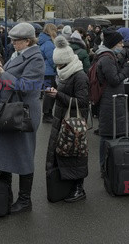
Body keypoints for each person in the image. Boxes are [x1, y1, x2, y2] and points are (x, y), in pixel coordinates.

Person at [0, 23, 45, 214]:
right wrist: (1, 68)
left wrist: (2, 73)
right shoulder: (18, 55)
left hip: (23, 114)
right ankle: (5, 194)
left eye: (16, 41)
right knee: (7, 153)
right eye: (11, 40)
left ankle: (24, 200)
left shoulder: (36, 58)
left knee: (23, 155)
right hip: (10, 112)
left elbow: (26, 86)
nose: (12, 44)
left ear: (27, 41)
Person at [45, 36, 89, 202]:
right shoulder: (65, 73)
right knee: (65, 153)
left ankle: (79, 188)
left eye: (59, 64)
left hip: (73, 123)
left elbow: (83, 102)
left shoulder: (79, 76)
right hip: (63, 120)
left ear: (66, 61)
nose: (57, 67)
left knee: (75, 155)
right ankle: (65, 186)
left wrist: (58, 95)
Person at [96, 32, 129, 171]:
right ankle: (105, 166)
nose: (122, 45)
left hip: (112, 98)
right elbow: (114, 79)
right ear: (112, 44)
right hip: (110, 99)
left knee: (112, 131)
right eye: (119, 43)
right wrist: (128, 68)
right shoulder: (107, 58)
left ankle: (109, 164)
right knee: (107, 134)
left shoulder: (109, 56)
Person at [38, 23, 57, 123]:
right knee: (49, 94)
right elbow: (52, 59)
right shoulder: (49, 43)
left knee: (48, 93)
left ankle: (47, 113)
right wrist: (57, 68)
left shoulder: (43, 41)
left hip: (46, 71)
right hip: (49, 72)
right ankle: (47, 114)